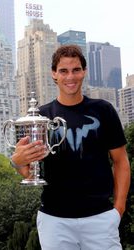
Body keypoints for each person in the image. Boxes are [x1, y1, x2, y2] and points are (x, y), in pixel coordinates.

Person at [10, 44, 131, 250]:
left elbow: (121, 162)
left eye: (76, 70)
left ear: (84, 71)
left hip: (100, 218)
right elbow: (30, 174)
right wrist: (17, 162)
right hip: (55, 221)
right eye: (63, 71)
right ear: (54, 74)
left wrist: (117, 210)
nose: (70, 77)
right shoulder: (39, 117)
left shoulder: (103, 110)